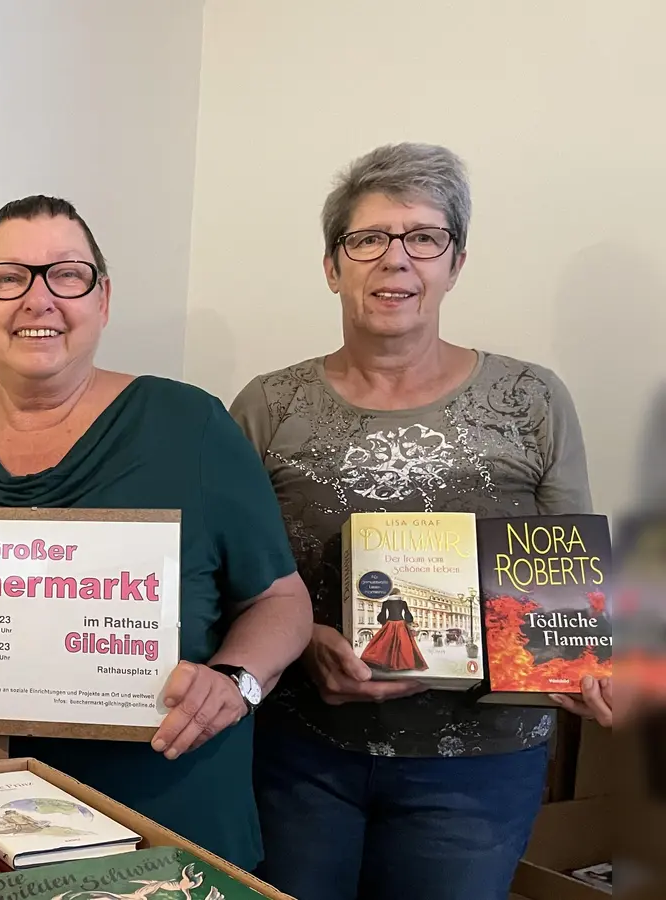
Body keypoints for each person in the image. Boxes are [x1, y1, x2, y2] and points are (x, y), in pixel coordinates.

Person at [0, 195, 314, 871]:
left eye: (67, 274)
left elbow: (281, 601)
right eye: (8, 278)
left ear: (103, 299)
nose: (39, 299)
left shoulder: (191, 426)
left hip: (169, 815)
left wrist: (238, 680)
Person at [230, 142, 611, 899]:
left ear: (455, 262)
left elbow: (566, 574)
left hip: (480, 763)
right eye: (367, 239)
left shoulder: (531, 398)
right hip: (302, 752)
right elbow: (234, 573)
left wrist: (579, 660)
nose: (395, 261)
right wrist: (304, 641)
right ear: (333, 265)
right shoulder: (269, 405)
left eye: (424, 238)